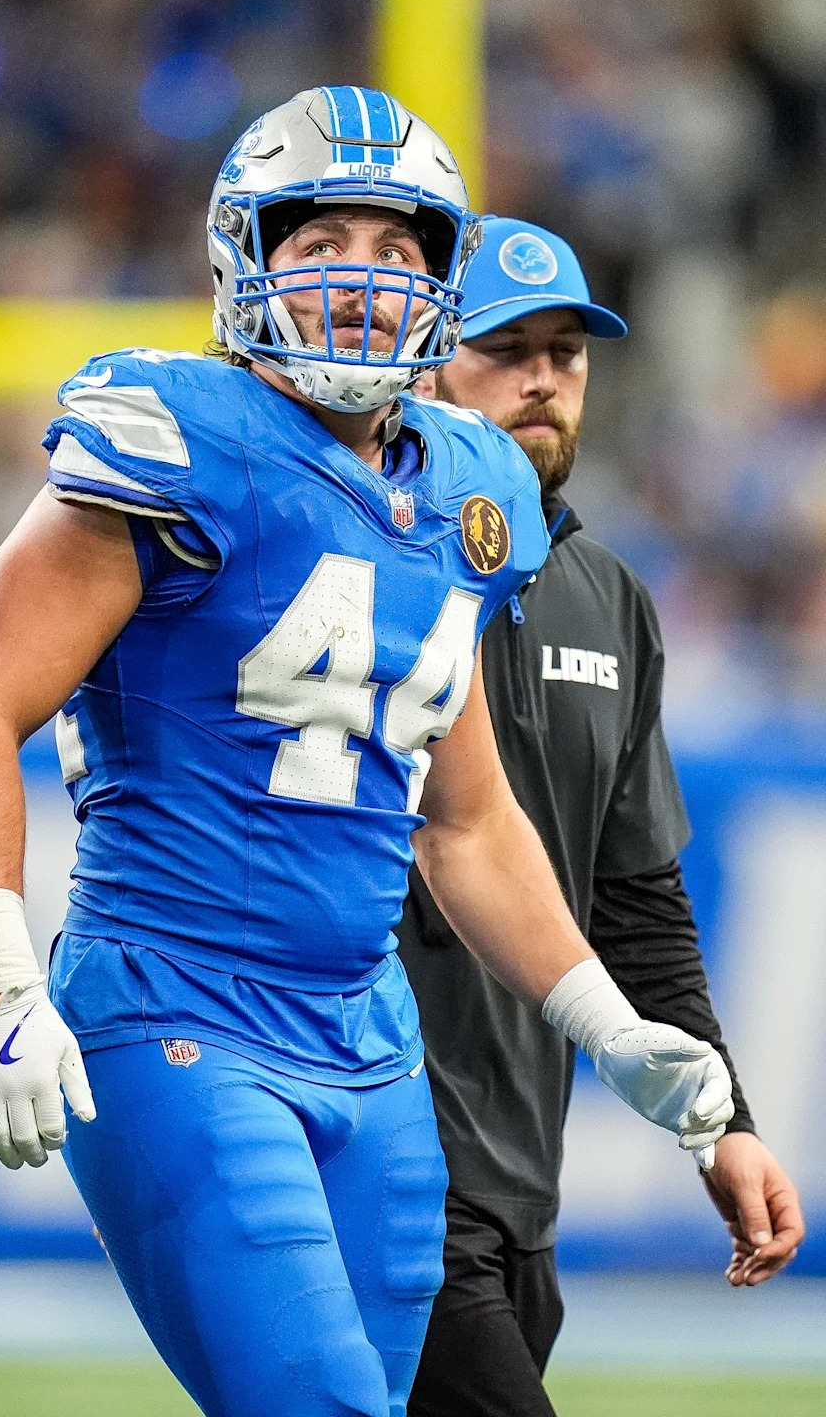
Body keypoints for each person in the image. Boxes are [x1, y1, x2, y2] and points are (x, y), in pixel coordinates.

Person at [0, 95, 735, 1417]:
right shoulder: (179, 435)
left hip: (372, 1039)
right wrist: (1, 981)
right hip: (178, 1010)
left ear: (441, 274)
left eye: (396, 248)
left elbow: (465, 819)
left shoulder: (473, 486)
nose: (360, 273)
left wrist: (604, 1020)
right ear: (249, 259)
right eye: (321, 239)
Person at [399, 217, 806, 1417]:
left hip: (523, 1182)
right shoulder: (355, 559)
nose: (543, 381)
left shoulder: (610, 599)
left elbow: (637, 902)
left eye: (566, 354)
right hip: (372, 1157)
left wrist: (722, 1123)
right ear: (423, 364)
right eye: (503, 348)